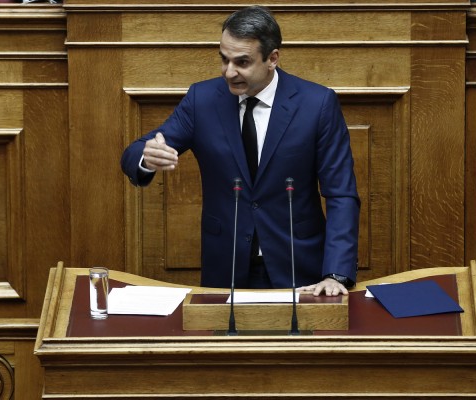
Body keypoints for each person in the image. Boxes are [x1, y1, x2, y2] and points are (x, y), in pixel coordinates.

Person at [121, 5, 360, 296]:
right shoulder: (201, 100)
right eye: (224, 59)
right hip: (226, 267)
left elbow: (341, 193)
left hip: (300, 267)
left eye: (242, 62)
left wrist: (336, 273)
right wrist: (146, 158)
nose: (229, 72)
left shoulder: (317, 104)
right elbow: (135, 152)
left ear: (272, 59)